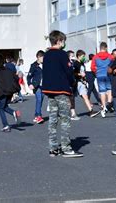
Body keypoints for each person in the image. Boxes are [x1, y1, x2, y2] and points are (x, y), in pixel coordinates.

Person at [42, 30, 83, 158]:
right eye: (63, 40)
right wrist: (72, 82)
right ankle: (66, 148)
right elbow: (68, 71)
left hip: (49, 90)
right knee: (65, 119)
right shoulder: (62, 54)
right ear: (59, 41)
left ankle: (53, 148)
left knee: (53, 119)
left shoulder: (47, 55)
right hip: (61, 89)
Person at [0, 54, 21, 132]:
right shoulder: (8, 70)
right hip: (10, 92)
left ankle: (6, 125)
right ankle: (14, 113)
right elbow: (16, 77)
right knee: (4, 106)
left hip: (2, 92)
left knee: (0, 108)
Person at [73, 50, 101, 117]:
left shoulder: (82, 63)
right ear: (79, 56)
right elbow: (72, 73)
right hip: (76, 83)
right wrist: (79, 74)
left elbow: (83, 72)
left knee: (85, 96)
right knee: (71, 99)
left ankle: (91, 111)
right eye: (83, 56)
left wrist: (84, 79)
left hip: (81, 83)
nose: (84, 58)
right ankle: (71, 113)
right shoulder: (75, 63)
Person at [91, 42, 114, 117]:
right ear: (106, 48)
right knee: (109, 89)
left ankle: (104, 107)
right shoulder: (110, 56)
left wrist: (96, 72)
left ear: (100, 48)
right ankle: (109, 103)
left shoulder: (95, 57)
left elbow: (92, 67)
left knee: (102, 91)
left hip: (99, 75)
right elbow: (113, 65)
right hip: (108, 75)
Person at [27, 50, 45, 124]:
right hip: (36, 86)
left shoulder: (45, 64)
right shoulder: (33, 65)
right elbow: (29, 76)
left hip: (43, 86)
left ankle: (36, 115)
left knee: (40, 101)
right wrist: (30, 84)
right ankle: (38, 116)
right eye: (43, 58)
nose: (44, 59)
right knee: (39, 99)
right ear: (38, 57)